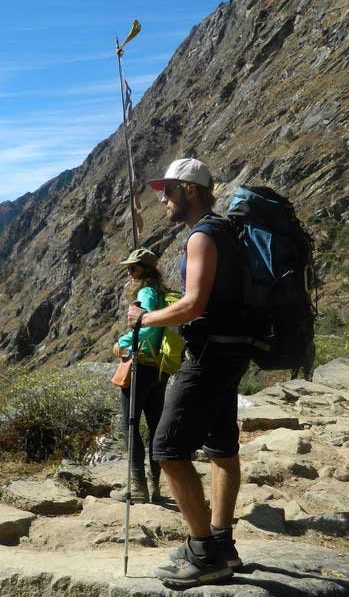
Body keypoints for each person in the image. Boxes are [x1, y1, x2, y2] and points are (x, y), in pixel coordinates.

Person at [127, 158, 250, 588]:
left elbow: (195, 305)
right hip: (233, 352)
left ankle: (203, 553)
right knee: (221, 448)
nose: (162, 199)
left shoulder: (202, 236)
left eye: (169, 191)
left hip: (209, 356)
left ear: (190, 191)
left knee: (166, 448)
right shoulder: (225, 232)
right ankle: (222, 543)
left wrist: (145, 318)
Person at [110, 248, 168, 504]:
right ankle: (155, 486)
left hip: (140, 365)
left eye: (133, 268)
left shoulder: (145, 293)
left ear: (145, 269)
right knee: (156, 425)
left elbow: (144, 328)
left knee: (130, 425)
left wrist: (121, 342)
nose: (129, 272)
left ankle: (137, 488)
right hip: (159, 367)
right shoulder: (162, 293)